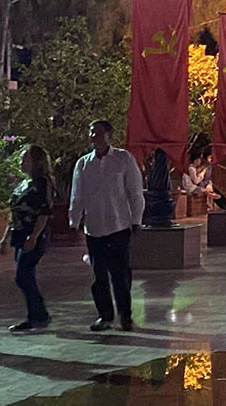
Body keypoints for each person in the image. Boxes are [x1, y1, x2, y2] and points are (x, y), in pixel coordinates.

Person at [69, 120, 144, 332]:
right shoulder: (84, 163)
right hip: (94, 228)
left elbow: (135, 191)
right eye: (91, 132)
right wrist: (74, 221)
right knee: (98, 275)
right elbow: (77, 195)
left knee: (120, 274)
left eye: (99, 133)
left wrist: (136, 219)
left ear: (109, 135)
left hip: (118, 225)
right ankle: (105, 315)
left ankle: (125, 315)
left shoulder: (122, 159)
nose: (94, 136)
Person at [0, 145, 54, 331]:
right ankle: (37, 315)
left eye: (25, 159)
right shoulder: (23, 184)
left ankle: (38, 315)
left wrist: (34, 236)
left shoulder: (42, 182)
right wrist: (5, 238)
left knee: (23, 275)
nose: (22, 162)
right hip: (19, 233)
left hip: (33, 234)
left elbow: (44, 212)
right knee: (25, 275)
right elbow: (14, 214)